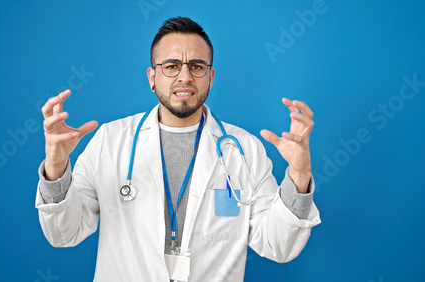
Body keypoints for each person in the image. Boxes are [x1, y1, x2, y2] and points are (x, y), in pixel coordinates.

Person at [35, 17, 321, 281]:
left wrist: (298, 175)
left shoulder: (244, 150)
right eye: (171, 66)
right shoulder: (110, 141)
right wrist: (57, 167)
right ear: (152, 77)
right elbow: (64, 233)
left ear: (210, 77)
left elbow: (278, 246)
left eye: (196, 66)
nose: (184, 76)